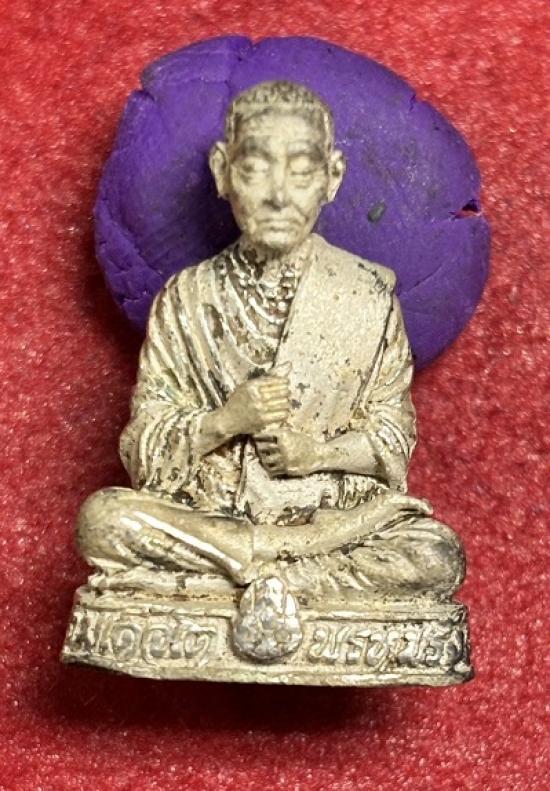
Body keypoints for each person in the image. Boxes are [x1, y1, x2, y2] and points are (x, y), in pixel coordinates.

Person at [77, 80, 464, 600]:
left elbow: (392, 440)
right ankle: (276, 573)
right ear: (223, 171)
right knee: (104, 519)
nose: (279, 196)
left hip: (328, 522)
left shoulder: (368, 294)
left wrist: (317, 453)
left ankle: (243, 574)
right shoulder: (187, 297)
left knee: (434, 554)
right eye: (256, 169)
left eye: (301, 173)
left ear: (332, 177)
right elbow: (144, 449)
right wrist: (224, 421)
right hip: (214, 515)